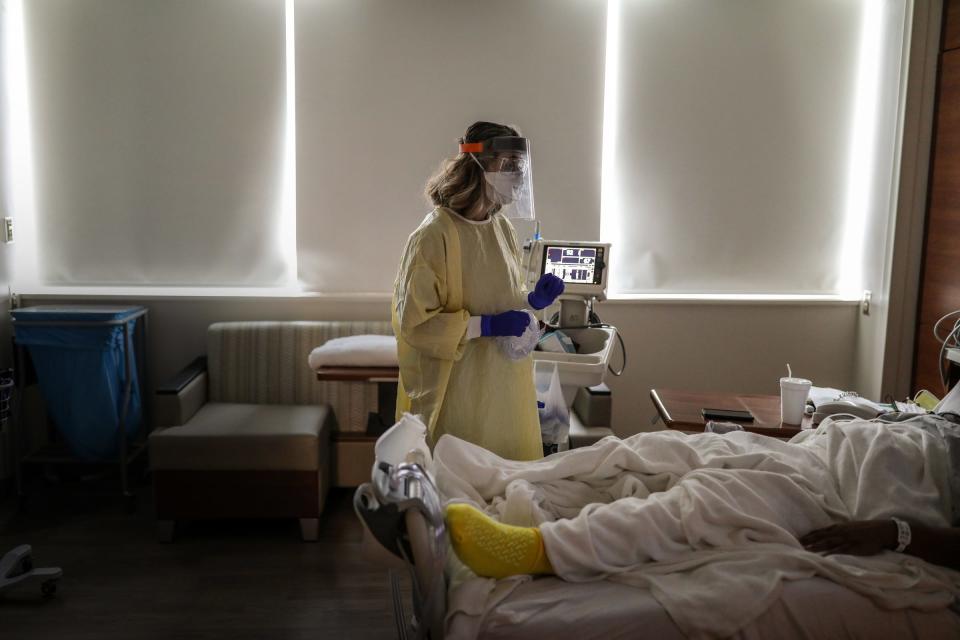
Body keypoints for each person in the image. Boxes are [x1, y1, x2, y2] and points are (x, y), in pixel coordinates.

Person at [392, 121, 565, 460]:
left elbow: (501, 295)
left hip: (505, 388)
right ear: (478, 166)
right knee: (462, 485)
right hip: (458, 390)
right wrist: (484, 326)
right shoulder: (434, 236)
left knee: (509, 481)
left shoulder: (500, 228)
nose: (516, 176)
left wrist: (531, 301)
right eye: (508, 166)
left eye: (520, 167)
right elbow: (415, 324)